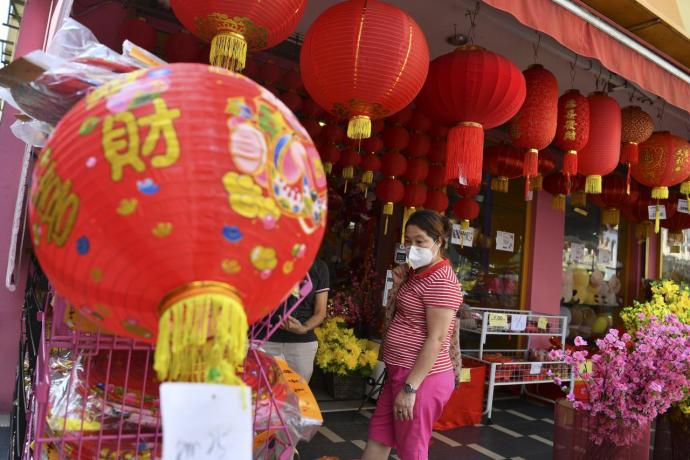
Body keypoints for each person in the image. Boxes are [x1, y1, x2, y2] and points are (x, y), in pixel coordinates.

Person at [362, 210, 463, 460]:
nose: (412, 247)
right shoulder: (415, 274)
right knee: (379, 437)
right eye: (408, 241)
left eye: (420, 241)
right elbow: (399, 316)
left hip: (421, 380)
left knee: (412, 450)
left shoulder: (442, 281)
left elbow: (437, 339)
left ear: (438, 242)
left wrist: (410, 388)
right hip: (399, 372)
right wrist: (398, 283)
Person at [262, 258, 329, 382]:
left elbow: (320, 312)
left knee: (299, 395)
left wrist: (304, 328)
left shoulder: (319, 266)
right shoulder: (268, 259)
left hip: (301, 344)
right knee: (262, 393)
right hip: (265, 340)